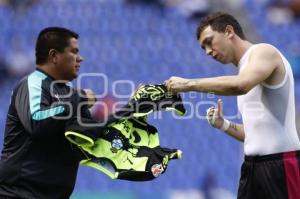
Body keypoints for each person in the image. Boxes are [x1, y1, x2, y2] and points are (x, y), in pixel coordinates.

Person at [165, 12, 300, 199]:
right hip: (251, 169)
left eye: (209, 42)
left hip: (280, 165)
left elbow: (240, 85)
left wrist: (188, 84)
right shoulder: (245, 70)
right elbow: (255, 135)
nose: (208, 52)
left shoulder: (263, 52)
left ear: (229, 31)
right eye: (203, 48)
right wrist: (224, 124)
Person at [0, 27, 96, 199]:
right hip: (17, 194)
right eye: (74, 52)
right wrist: (79, 99)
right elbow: (37, 121)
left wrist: (135, 107)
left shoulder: (69, 94)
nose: (80, 58)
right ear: (54, 56)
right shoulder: (32, 83)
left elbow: (94, 137)